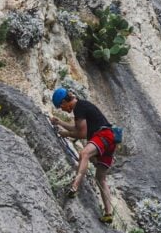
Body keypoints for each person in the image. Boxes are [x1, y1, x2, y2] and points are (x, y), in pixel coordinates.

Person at [50, 87, 116, 224]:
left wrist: (65, 134)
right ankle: (108, 213)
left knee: (84, 153)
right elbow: (77, 128)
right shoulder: (82, 106)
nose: (62, 109)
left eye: (61, 106)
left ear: (64, 101)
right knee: (101, 178)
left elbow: (82, 134)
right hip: (110, 139)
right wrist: (60, 123)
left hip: (103, 135)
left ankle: (74, 186)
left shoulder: (79, 107)